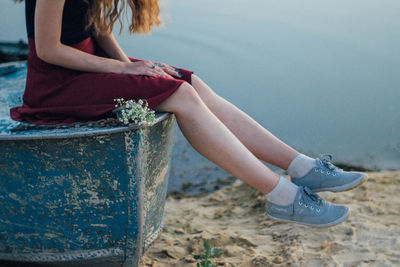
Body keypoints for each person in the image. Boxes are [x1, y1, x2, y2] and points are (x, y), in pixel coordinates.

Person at [10, 0, 367, 227]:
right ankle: (282, 198)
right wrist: (122, 72)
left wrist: (132, 66)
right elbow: (49, 49)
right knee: (179, 95)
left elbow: (97, 26)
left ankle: (302, 168)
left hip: (92, 69)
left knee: (187, 80)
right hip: (57, 83)